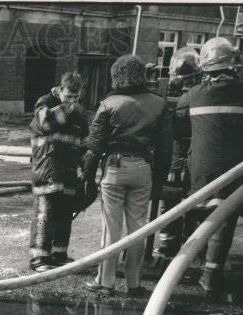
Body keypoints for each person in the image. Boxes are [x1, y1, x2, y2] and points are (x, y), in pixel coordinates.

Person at [173, 36, 243, 292]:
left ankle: (195, 261)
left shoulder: (194, 95)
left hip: (201, 170)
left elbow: (178, 120)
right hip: (239, 170)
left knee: (197, 210)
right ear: (233, 66)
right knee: (226, 215)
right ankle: (212, 274)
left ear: (206, 68)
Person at [81, 54, 172, 294]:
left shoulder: (108, 104)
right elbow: (165, 149)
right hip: (143, 169)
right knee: (138, 228)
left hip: (114, 168)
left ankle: (105, 282)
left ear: (116, 76)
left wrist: (88, 178)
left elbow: (94, 148)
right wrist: (159, 181)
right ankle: (134, 283)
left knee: (111, 228)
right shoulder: (159, 104)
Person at [27, 71, 90, 272]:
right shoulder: (44, 103)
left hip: (68, 170)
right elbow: (46, 124)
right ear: (59, 90)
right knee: (45, 214)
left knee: (64, 214)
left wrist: (86, 169)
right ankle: (39, 258)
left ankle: (58, 254)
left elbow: (83, 143)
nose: (72, 101)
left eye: (75, 97)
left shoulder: (79, 113)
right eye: (68, 96)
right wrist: (72, 108)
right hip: (47, 168)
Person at [151, 47, 203, 263]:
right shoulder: (202, 94)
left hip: (177, 161)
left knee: (170, 203)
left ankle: (167, 244)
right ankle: (190, 243)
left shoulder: (181, 99)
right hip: (196, 161)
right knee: (193, 204)